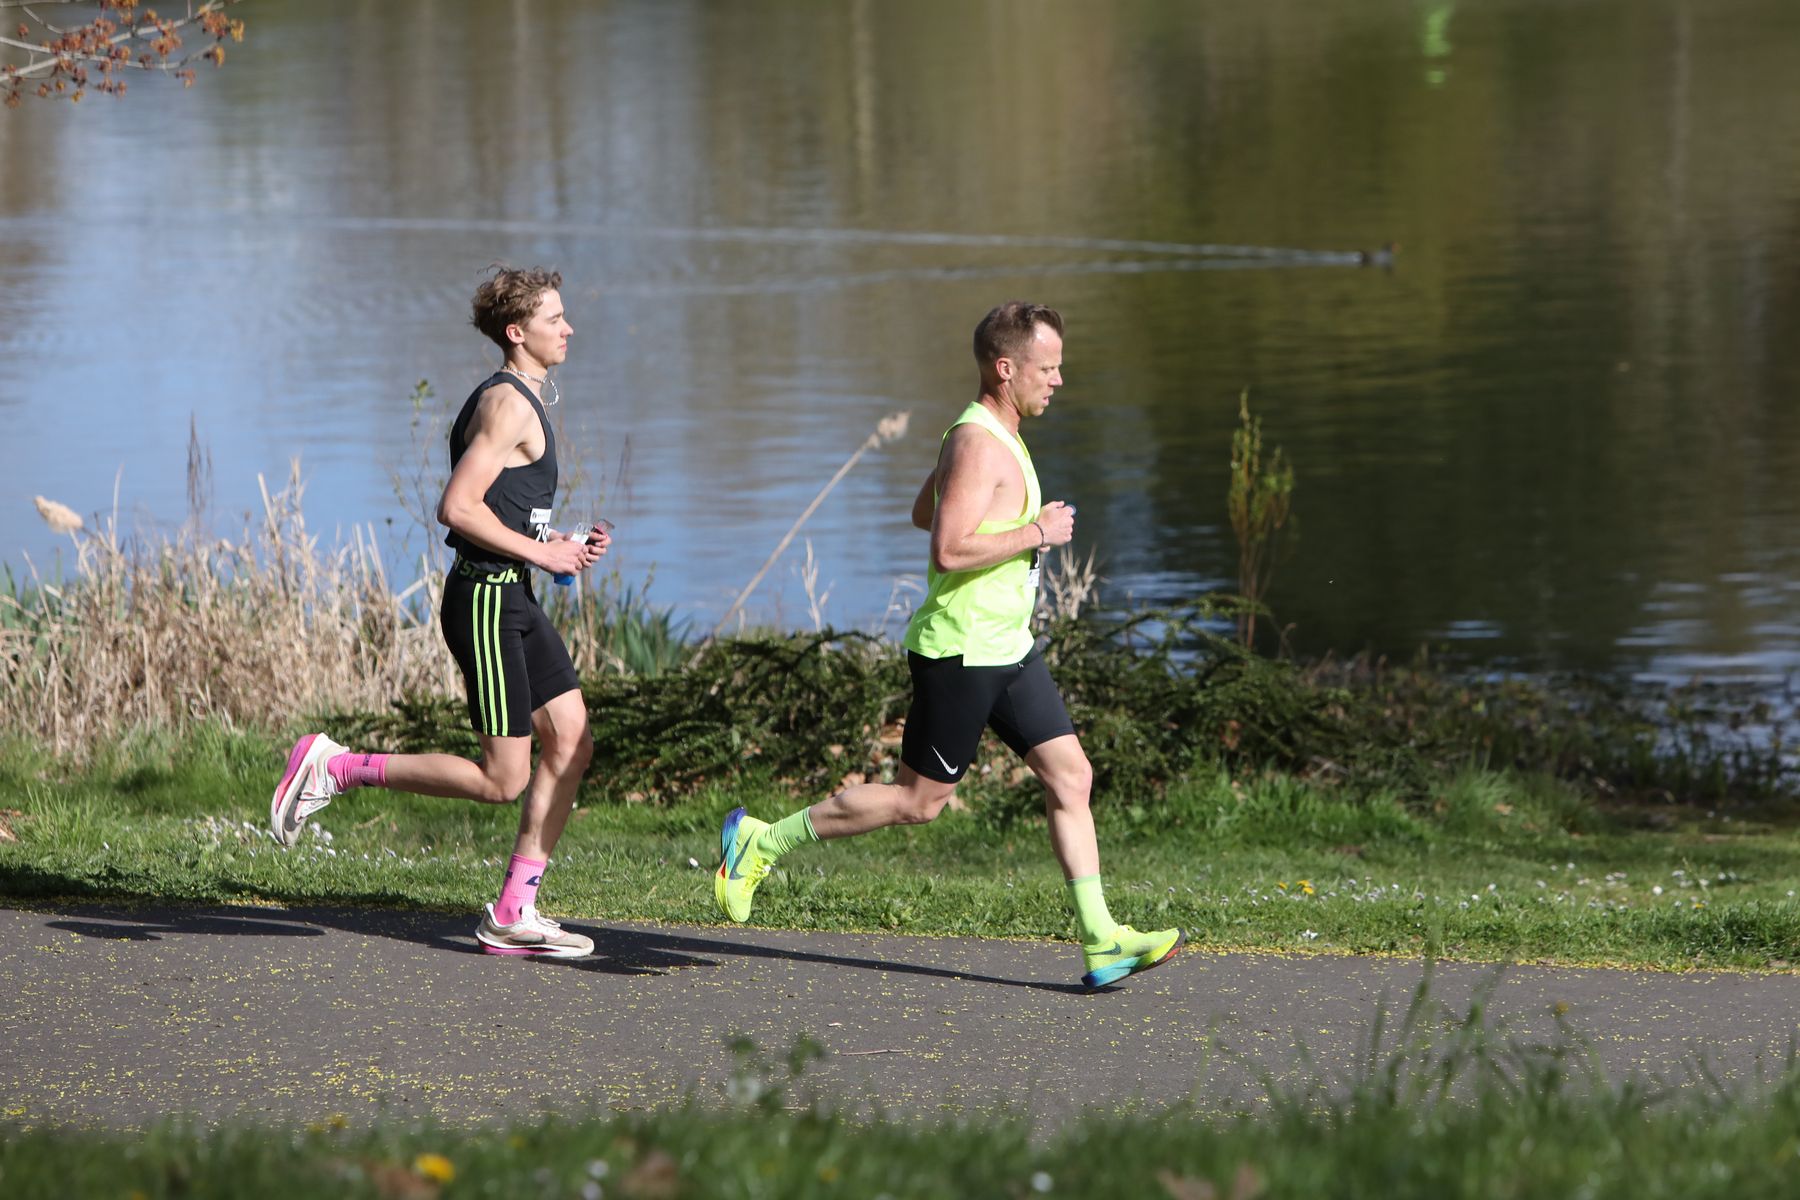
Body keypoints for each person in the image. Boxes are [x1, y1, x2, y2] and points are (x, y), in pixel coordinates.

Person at [714, 301, 1184, 991]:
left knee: (1072, 776)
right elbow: (947, 545)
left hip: (1008, 649)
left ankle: (1101, 939)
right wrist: (1035, 534)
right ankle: (761, 841)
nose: (1058, 380)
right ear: (1006, 367)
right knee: (919, 801)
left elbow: (923, 508)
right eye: (1047, 368)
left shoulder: (994, 431)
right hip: (961, 654)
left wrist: (992, 512)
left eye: (1059, 367)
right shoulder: (978, 442)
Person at [270, 265, 608, 959]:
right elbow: (456, 508)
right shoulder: (508, 404)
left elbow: (503, 508)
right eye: (554, 319)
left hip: (512, 593)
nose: (569, 328)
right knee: (502, 778)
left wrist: (558, 542)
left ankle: (515, 911)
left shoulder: (525, 400)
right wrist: (541, 558)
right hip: (485, 599)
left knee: (572, 741)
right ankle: (334, 767)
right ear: (518, 333)